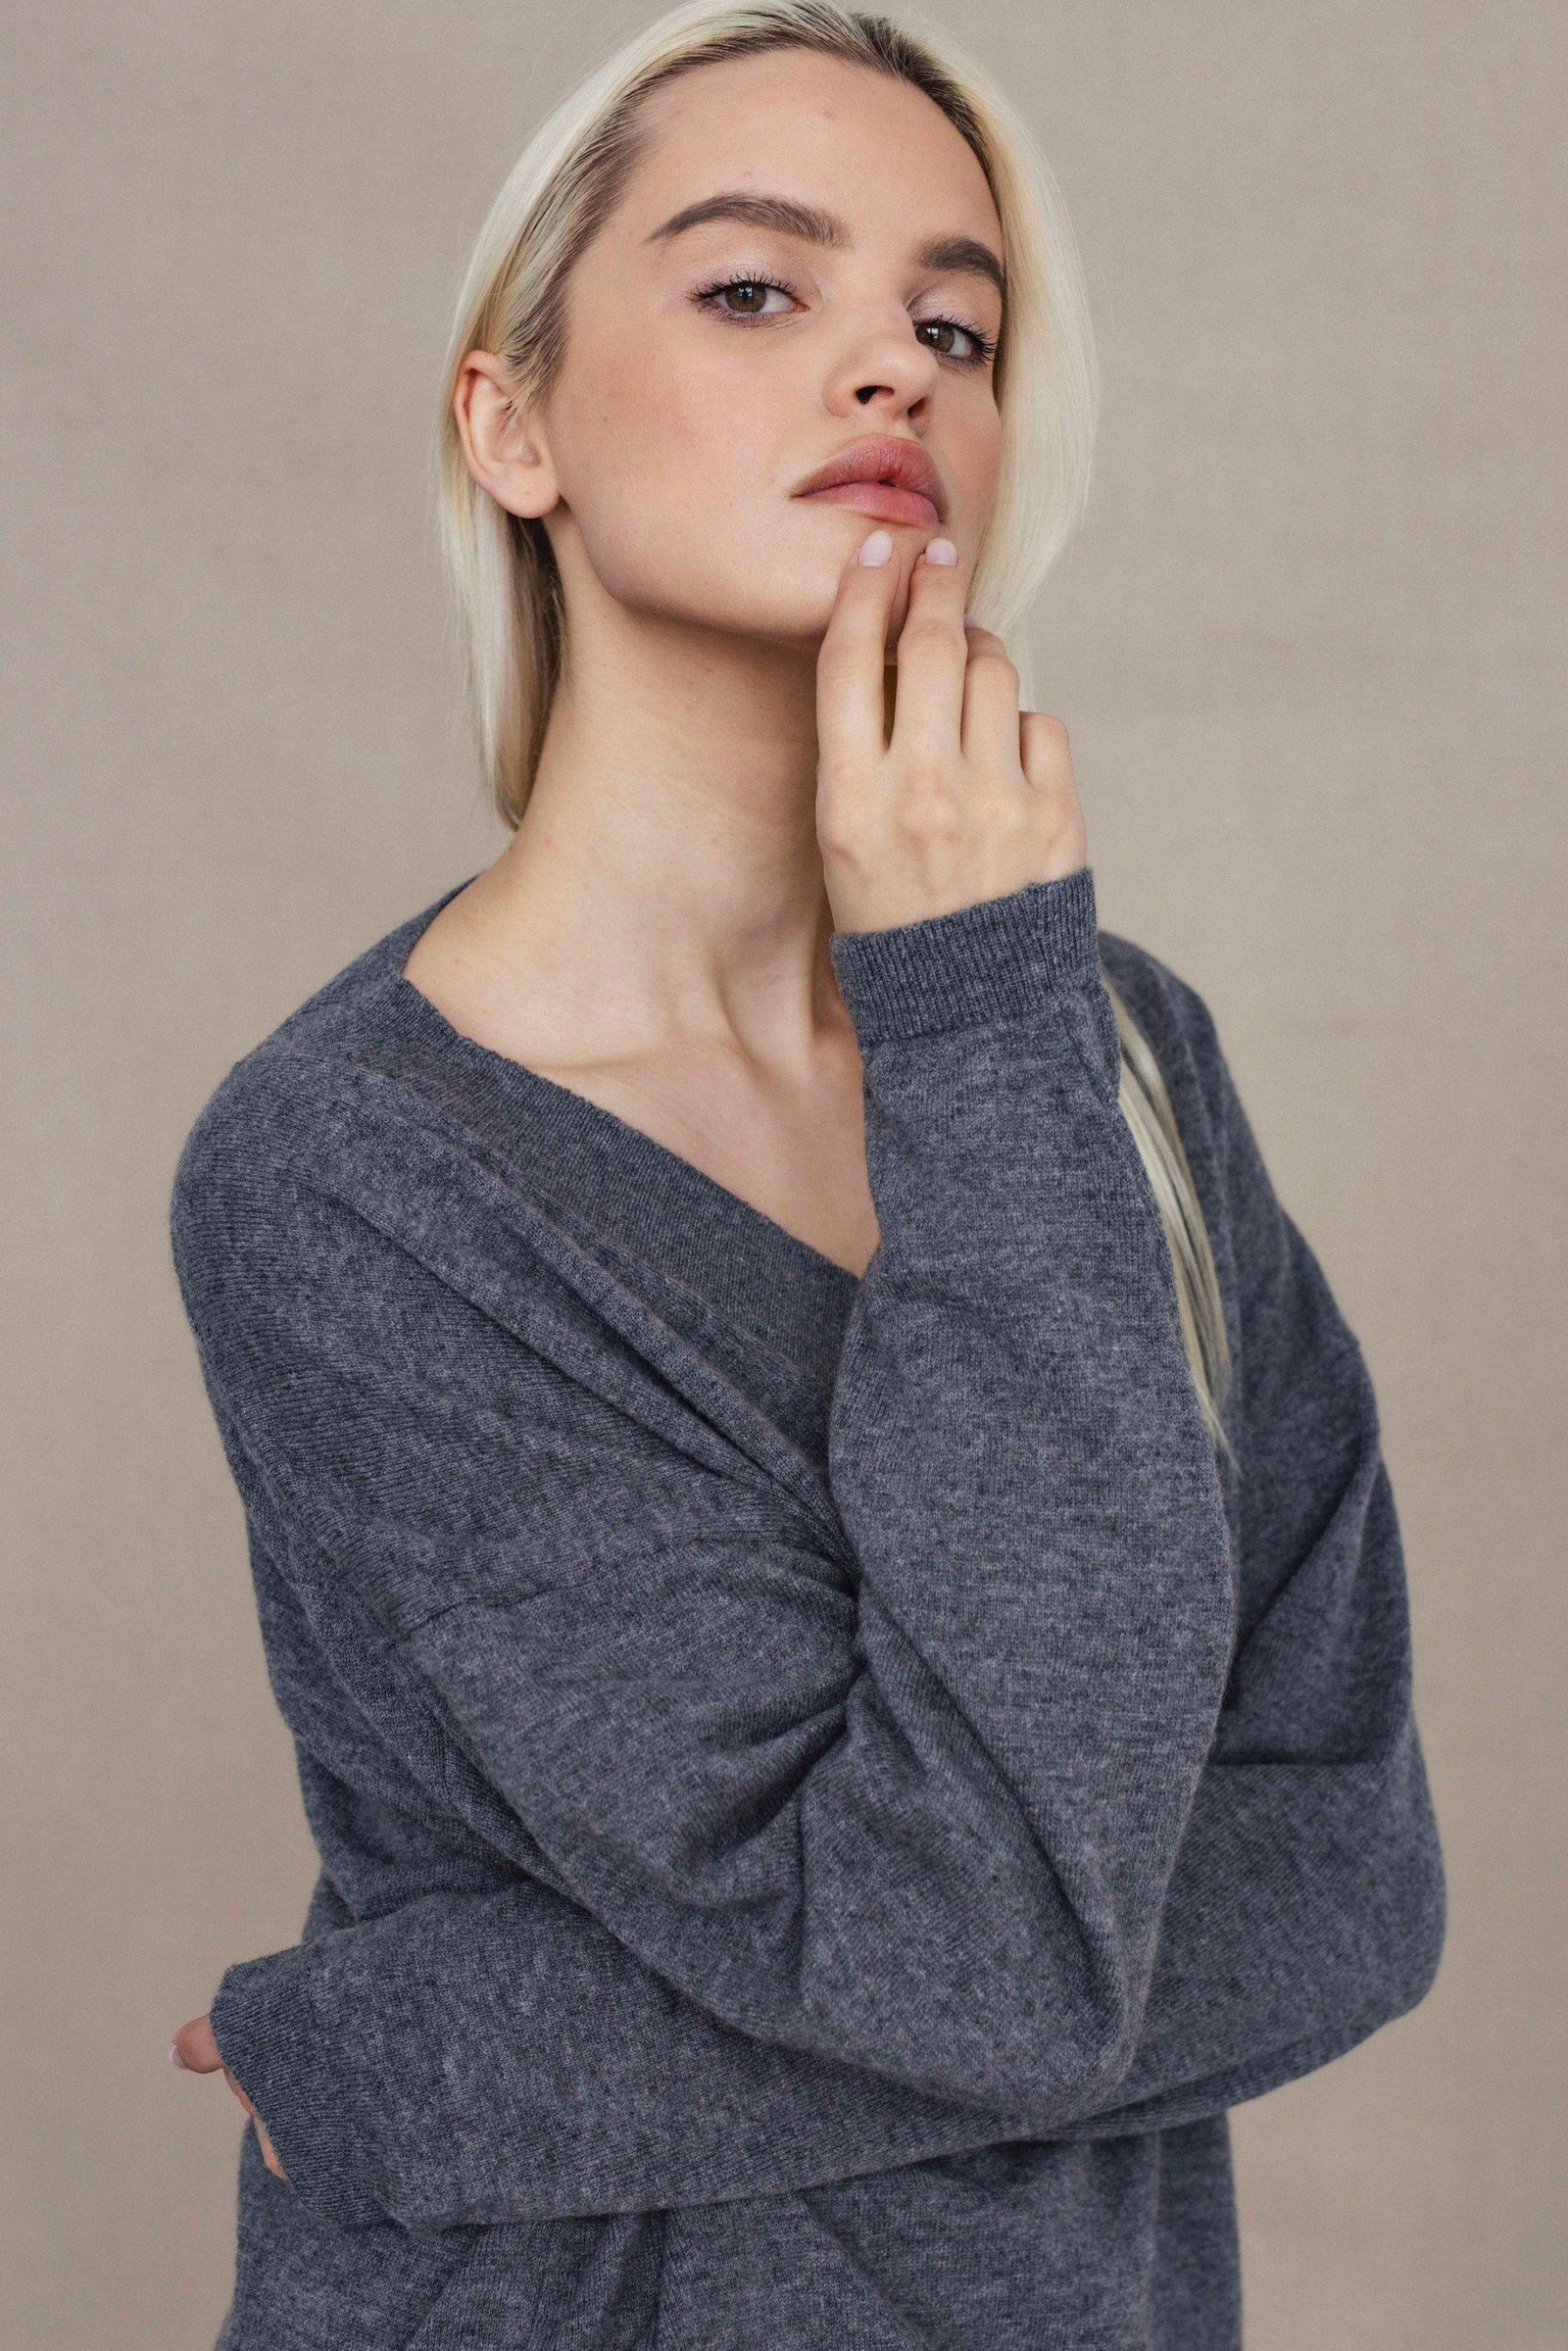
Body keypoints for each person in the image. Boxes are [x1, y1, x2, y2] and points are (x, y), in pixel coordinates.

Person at [165, 3, 1446, 2343]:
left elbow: (1350, 1882)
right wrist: (970, 1012)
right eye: (755, 288)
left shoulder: (1108, 1059)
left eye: (953, 327)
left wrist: (422, 2063)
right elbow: (970, 1961)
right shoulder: (354, 1172)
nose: (889, 371)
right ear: (513, 422)